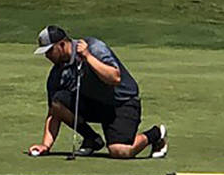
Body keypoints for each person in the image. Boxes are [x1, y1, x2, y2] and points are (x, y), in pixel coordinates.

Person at [28, 25, 166, 159]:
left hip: (122, 103)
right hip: (96, 104)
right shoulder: (57, 74)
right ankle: (92, 139)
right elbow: (54, 112)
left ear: (62, 44)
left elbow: (115, 78)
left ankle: (155, 134)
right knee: (58, 101)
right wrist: (45, 146)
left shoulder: (94, 48)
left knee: (120, 151)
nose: (47, 56)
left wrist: (88, 57)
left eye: (50, 50)